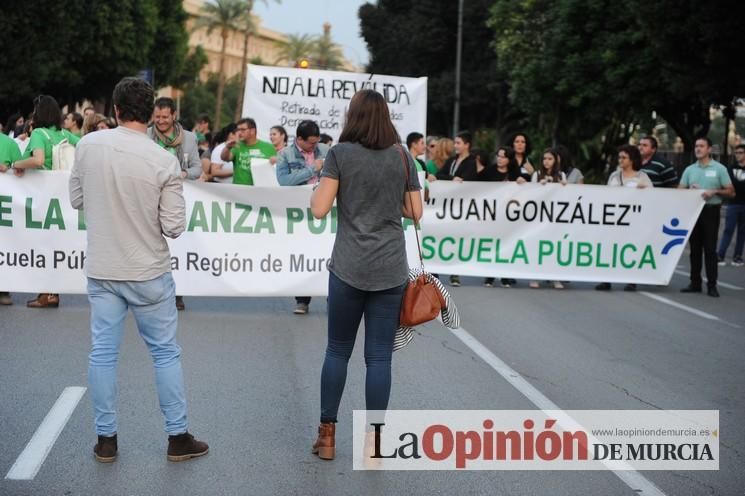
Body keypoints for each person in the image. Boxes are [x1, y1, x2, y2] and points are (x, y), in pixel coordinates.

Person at [69, 77, 208, 464]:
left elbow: (77, 198)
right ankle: (177, 437)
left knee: (103, 354)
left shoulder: (87, 146)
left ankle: (106, 439)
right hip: (148, 270)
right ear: (151, 116)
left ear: (115, 110)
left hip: (102, 266)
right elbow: (174, 227)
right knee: (164, 354)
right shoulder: (162, 159)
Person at [309, 89, 422, 461]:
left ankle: (327, 436)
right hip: (390, 269)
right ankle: (374, 442)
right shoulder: (403, 157)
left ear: (352, 117)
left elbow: (320, 209)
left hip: (348, 266)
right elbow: (415, 212)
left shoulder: (340, 155)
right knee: (379, 359)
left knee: (337, 350)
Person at [12, 95, 81, 308]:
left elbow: (38, 160)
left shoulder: (38, 135)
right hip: (63, 197)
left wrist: (17, 163)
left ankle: (46, 293)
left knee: (41, 243)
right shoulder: (65, 134)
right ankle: (52, 292)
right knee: (56, 242)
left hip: (42, 197)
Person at [148, 97, 203, 311]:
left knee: (178, 247)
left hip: (176, 200)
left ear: (173, 116)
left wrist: (183, 173)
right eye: (157, 117)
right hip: (150, 198)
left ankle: (177, 294)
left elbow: (198, 169)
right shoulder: (146, 135)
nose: (160, 121)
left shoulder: (188, 138)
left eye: (164, 117)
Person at [276, 119, 329, 314]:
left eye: (316, 142)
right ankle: (302, 300)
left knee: (328, 253)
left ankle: (332, 296)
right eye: (310, 143)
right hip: (299, 214)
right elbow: (284, 181)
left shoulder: (326, 151)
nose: (314, 146)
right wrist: (312, 169)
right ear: (299, 139)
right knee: (303, 253)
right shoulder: (285, 155)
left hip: (324, 210)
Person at [678, 137, 734, 297]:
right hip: (693, 211)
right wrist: (690, 189)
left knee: (710, 249)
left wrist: (714, 191)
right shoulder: (689, 169)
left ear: (709, 149)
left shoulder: (719, 169)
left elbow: (731, 191)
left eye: (702, 146)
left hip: (710, 210)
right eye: (696, 146)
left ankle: (712, 285)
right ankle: (695, 283)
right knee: (694, 249)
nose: (698, 149)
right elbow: (680, 191)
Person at [595, 145, 653, 292]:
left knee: (631, 248)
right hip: (614, 219)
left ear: (632, 159)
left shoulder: (642, 177)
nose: (620, 160)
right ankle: (606, 279)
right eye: (619, 157)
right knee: (610, 248)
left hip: (633, 221)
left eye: (623, 157)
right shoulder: (614, 176)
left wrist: (644, 190)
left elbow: (653, 198)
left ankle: (631, 279)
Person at [436, 131, 476, 286]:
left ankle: (455, 273)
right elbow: (440, 174)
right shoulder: (452, 160)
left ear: (467, 145)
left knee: (457, 237)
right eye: (455, 142)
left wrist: (453, 179)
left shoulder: (472, 162)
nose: (455, 145)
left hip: (462, 207)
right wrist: (451, 178)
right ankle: (436, 270)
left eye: (459, 143)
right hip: (447, 206)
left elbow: (468, 180)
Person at [478, 146, 520, 288]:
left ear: (509, 159)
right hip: (492, 214)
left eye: (503, 156)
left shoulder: (515, 172)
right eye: (498, 155)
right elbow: (474, 184)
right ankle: (490, 276)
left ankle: (505, 276)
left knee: (507, 244)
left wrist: (521, 182)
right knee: (492, 244)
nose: (499, 159)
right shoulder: (489, 171)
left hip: (508, 216)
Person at [527, 149, 567, 289]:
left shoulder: (561, 175)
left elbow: (565, 196)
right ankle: (535, 277)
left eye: (550, 159)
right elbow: (531, 195)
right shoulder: (537, 175)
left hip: (555, 218)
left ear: (555, 160)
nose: (546, 161)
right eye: (544, 158)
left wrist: (562, 185)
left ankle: (555, 277)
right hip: (539, 217)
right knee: (538, 246)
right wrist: (540, 185)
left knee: (554, 247)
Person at [0, 132, 22, 305]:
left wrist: (9, 168)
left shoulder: (9, 143)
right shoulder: (10, 143)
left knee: (4, 243)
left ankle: (3, 289)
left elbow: (20, 171)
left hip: (5, 204)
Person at [221, 117, 276, 186]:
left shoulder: (269, 147)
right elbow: (224, 158)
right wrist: (227, 148)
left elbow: (277, 168)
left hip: (261, 190)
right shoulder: (237, 145)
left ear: (252, 131)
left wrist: (276, 161)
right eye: (238, 130)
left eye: (243, 130)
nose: (239, 133)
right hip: (239, 191)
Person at [716, 144, 745, 266]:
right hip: (733, 204)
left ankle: (737, 257)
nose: (737, 155)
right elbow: (727, 185)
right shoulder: (730, 168)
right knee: (728, 229)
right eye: (736, 152)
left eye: (740, 152)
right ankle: (720, 255)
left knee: (742, 232)